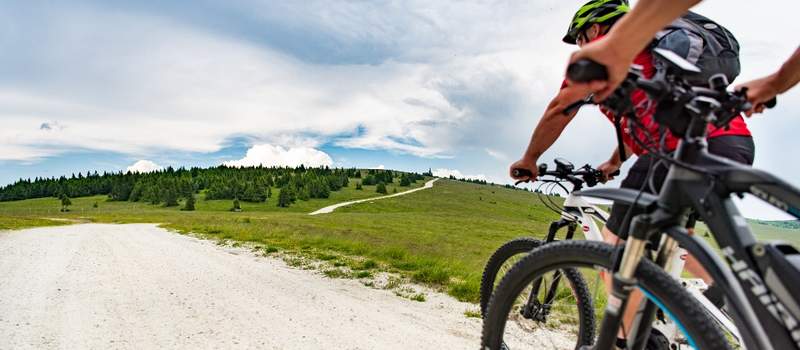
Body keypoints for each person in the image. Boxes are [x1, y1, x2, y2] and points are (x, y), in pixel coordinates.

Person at [509, 1, 755, 347]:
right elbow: (637, 123)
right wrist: (614, 162)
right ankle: (732, 298)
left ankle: (628, 340)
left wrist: (530, 158)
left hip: (676, 152)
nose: (581, 46)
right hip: (732, 143)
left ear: (594, 29)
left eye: (580, 37)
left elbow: (560, 109)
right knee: (676, 239)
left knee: (617, 249)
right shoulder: (657, 50)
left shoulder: (609, 52)